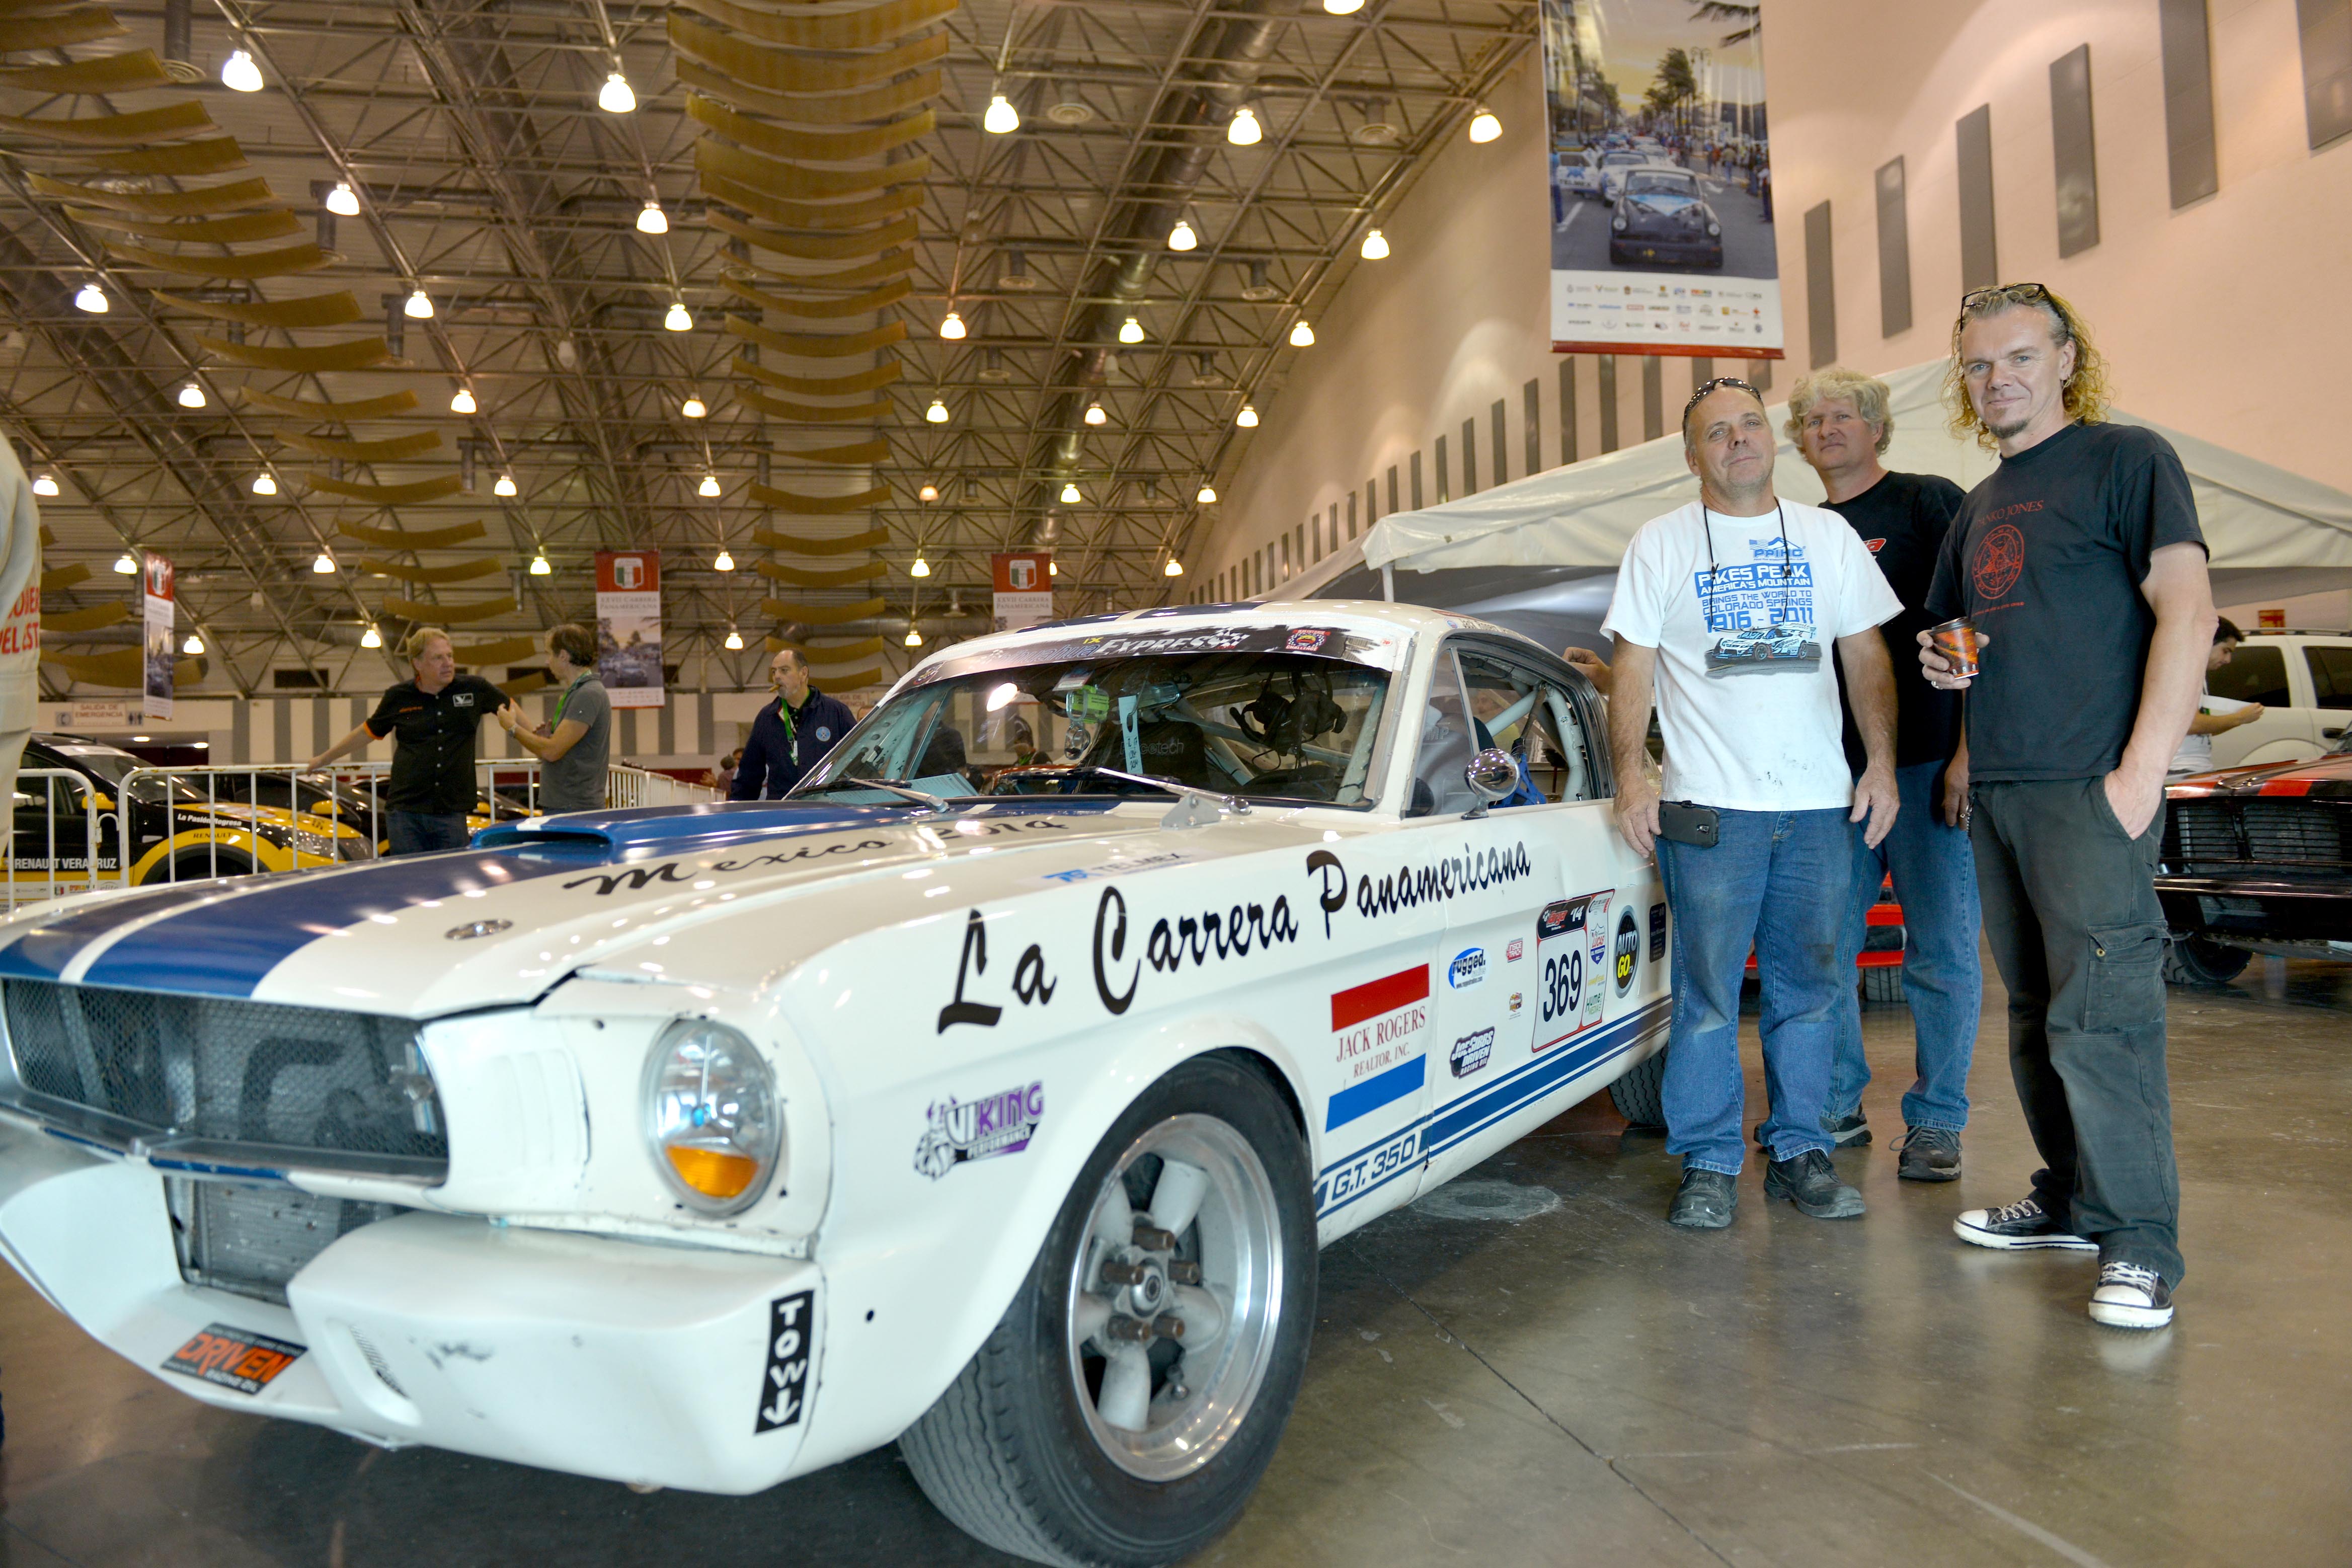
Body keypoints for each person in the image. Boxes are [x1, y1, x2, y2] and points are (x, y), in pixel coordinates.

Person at [1920, 282, 2214, 1331]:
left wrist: (2140, 773)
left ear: (2065, 360)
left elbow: (2188, 611)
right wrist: (1950, 691)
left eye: (2017, 357)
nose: (1995, 378)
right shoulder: (1979, 504)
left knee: (2104, 1018)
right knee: (2038, 1014)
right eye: (1977, 364)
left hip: (2090, 788)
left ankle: (2140, 1244)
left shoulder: (2127, 461)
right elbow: (1958, 637)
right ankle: (2073, 1199)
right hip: (2001, 791)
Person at [1601, 376, 1903, 1231]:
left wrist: (1879, 766)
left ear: (1772, 438)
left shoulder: (1826, 537)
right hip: (1707, 813)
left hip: (1817, 809)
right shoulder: (1660, 544)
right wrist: (1632, 778)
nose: (1737, 440)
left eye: (1749, 425)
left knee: (1811, 989)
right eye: (1716, 432)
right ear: (1690, 455)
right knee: (1704, 995)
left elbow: (1864, 656)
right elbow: (1631, 668)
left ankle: (1800, 1148)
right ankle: (1706, 1159)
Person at [1787, 368, 1981, 1181]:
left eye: (1841, 415)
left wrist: (1969, 752)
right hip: (1832, 778)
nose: (1825, 429)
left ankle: (1936, 1121)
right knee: (1821, 948)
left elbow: (1969, 621)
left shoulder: (1925, 502)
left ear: (1875, 427)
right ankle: (1837, 1103)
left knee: (1940, 949)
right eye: (1810, 420)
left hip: (1931, 760)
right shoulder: (1797, 529)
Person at [307, 626, 513, 854]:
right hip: (405, 813)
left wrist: (535, 736)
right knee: (408, 874)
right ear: (418, 663)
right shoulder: (399, 696)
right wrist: (324, 759)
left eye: (450, 656)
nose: (448, 663)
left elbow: (509, 707)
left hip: (450, 811)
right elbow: (367, 732)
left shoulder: (474, 689)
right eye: (438, 658)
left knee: (452, 873)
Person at [498, 622, 611, 814]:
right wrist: (547, 740)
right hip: (569, 804)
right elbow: (558, 749)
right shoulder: (579, 693)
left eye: (549, 654)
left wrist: (512, 728)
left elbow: (552, 752)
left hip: (573, 807)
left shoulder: (587, 694)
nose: (547, 661)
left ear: (564, 656)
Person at [732, 644, 857, 801]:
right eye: (774, 672)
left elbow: (858, 762)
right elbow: (749, 776)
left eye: (784, 670)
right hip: (782, 808)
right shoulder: (767, 718)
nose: (777, 677)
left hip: (826, 807)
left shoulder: (836, 712)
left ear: (803, 673)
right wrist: (737, 809)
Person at [2168, 618, 2260, 777]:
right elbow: (2191, 725)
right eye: (2225, 651)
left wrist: (2239, 719)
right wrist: (2240, 718)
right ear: (2207, 641)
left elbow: (2202, 730)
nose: (2228, 660)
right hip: (2180, 769)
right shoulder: (2183, 673)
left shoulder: (2196, 675)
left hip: (2190, 768)